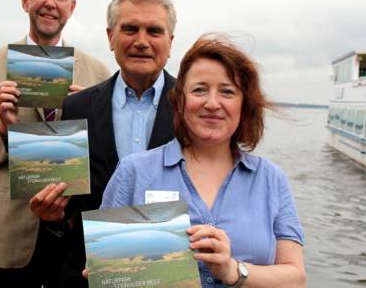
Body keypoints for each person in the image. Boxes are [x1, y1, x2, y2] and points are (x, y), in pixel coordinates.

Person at [101, 35, 306, 288]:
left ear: (244, 104)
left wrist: (232, 270)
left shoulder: (271, 179)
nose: (212, 103)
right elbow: (106, 270)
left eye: (227, 92)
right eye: (199, 90)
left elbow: (295, 279)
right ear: (180, 100)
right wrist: (109, 273)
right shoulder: (133, 172)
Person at [0, 0, 110, 288]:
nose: (50, 3)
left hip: (73, 232)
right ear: (25, 0)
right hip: (7, 232)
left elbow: (107, 161)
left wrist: (91, 118)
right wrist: (1, 126)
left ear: (72, 7)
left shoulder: (98, 73)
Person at [29, 0, 177, 287]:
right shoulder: (76, 107)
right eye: (130, 29)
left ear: (170, 42)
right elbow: (65, 205)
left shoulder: (192, 108)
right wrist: (52, 215)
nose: (141, 41)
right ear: (111, 37)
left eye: (154, 31)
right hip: (86, 273)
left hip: (168, 271)